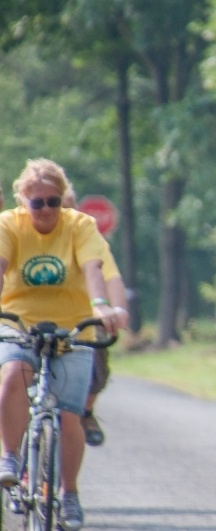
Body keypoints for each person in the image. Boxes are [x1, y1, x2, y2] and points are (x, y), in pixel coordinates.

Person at [0, 158, 120, 530]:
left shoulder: (80, 224)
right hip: (19, 322)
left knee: (70, 414)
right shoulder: (9, 224)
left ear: (63, 199)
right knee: (13, 374)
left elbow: (93, 269)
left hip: (74, 327)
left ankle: (69, 493)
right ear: (24, 200)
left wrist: (101, 307)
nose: (47, 209)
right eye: (38, 203)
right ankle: (10, 457)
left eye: (54, 201)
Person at [62, 188, 130, 447]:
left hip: (83, 316)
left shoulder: (90, 239)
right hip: (35, 318)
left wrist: (118, 310)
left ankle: (87, 411)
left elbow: (111, 277)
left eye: (67, 206)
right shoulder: (20, 231)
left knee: (98, 365)